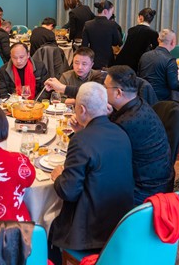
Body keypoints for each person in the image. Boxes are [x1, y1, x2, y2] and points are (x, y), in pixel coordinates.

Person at [49, 82, 134, 252]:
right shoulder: (121, 132)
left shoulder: (81, 141)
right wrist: (81, 132)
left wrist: (58, 177)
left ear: (81, 109)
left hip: (91, 232)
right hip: (120, 222)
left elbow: (68, 192)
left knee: (48, 224)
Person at [105, 66, 173, 205]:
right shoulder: (139, 104)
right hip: (162, 180)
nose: (102, 91)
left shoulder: (126, 123)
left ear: (118, 92)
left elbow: (105, 157)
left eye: (105, 87)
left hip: (145, 192)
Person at [139, 29, 179, 101]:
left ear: (158, 40)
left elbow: (139, 76)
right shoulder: (170, 60)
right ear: (173, 42)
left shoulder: (144, 55)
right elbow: (174, 86)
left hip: (142, 97)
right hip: (161, 101)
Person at [82, 0, 122, 69]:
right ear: (105, 11)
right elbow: (117, 43)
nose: (112, 15)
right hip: (108, 62)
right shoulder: (112, 25)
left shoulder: (87, 24)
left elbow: (84, 46)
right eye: (111, 12)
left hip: (93, 60)